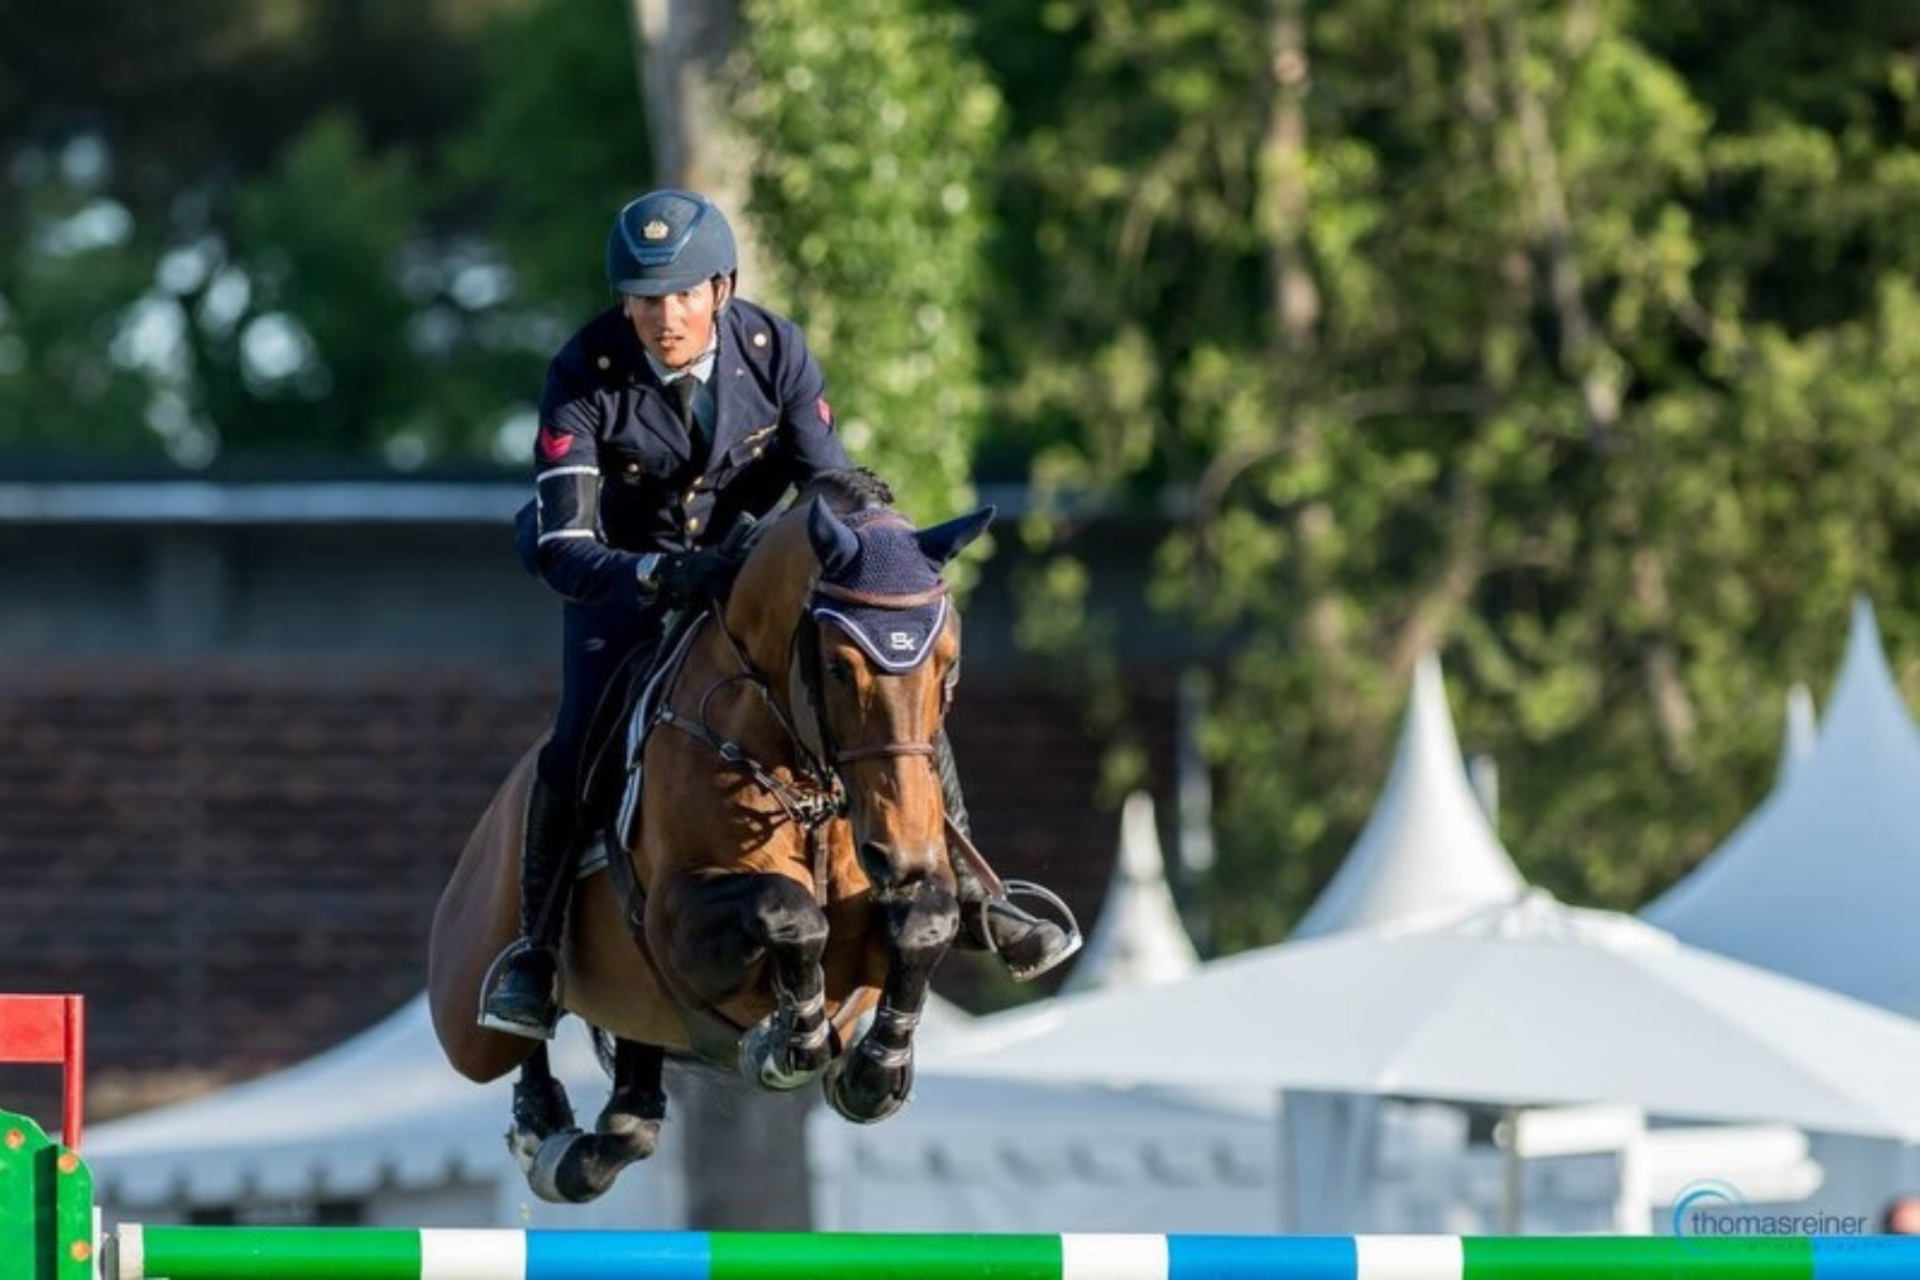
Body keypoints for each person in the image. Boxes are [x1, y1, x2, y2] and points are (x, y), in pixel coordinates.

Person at [480, 188, 1079, 1039]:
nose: (665, 316)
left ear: (720, 291)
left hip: (755, 582)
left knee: (882, 682)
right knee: (578, 733)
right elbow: (564, 544)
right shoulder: (585, 374)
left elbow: (825, 477)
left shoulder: (772, 349)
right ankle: (535, 952)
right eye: (647, 298)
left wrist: (878, 528)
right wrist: (670, 573)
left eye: (684, 294)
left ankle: (978, 888)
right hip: (629, 583)